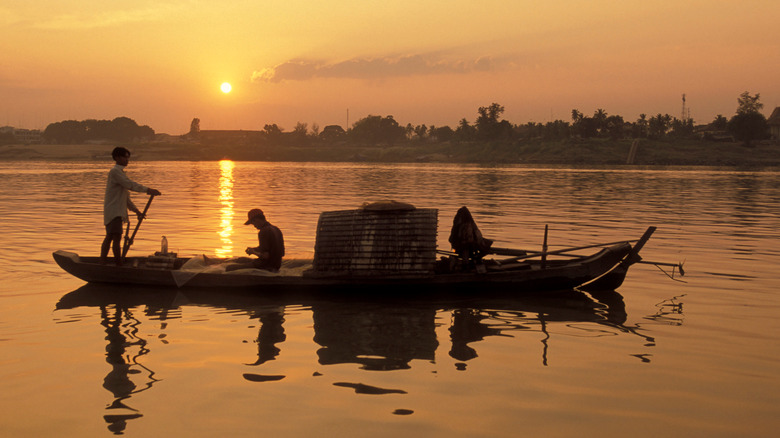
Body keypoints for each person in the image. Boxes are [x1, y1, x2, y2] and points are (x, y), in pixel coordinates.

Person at [100, 147, 161, 265]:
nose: (127, 160)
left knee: (113, 237)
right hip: (114, 212)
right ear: (117, 158)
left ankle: (109, 262)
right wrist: (148, 190)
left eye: (128, 157)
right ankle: (115, 264)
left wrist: (137, 212)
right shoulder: (115, 172)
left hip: (117, 212)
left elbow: (126, 199)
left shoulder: (120, 173)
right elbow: (130, 185)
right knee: (113, 238)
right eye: (125, 157)